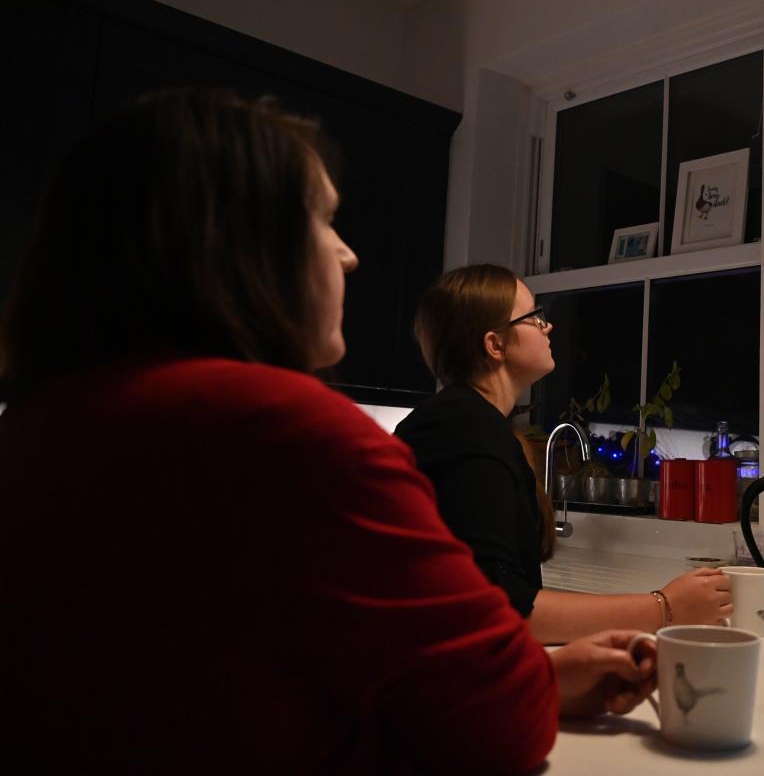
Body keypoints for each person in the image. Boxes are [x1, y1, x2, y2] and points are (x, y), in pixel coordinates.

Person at [0, 89, 654, 774]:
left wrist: (544, 677)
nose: (349, 257)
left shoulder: (37, 428)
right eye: (323, 220)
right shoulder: (290, 433)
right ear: (240, 242)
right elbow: (502, 720)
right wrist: (544, 679)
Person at [394, 264, 733, 645]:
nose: (547, 326)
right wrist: (665, 608)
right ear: (495, 345)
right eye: (534, 317)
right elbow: (498, 608)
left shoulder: (471, 423)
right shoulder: (464, 430)